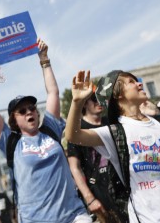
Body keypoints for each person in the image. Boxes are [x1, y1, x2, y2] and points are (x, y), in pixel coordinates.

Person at [64, 70, 160, 223]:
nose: (139, 83)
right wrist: (77, 102)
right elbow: (73, 135)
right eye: (131, 82)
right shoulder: (115, 132)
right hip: (149, 218)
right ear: (118, 95)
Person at [0, 39, 91, 223]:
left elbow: (53, 93)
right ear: (14, 119)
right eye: (22, 111)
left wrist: (44, 60)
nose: (29, 112)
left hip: (74, 216)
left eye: (32, 108)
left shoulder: (50, 129)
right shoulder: (10, 142)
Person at [66, 93, 126, 223]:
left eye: (100, 98)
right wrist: (89, 198)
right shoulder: (77, 130)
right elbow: (74, 167)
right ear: (85, 103)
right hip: (99, 192)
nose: (99, 102)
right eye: (94, 99)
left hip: (123, 189)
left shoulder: (112, 122)